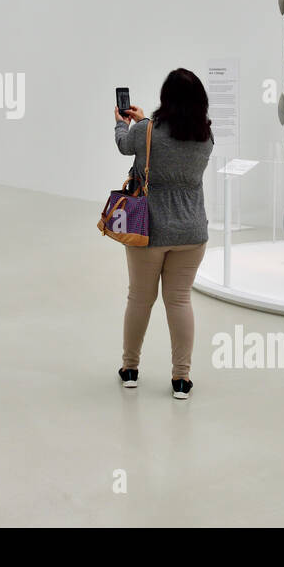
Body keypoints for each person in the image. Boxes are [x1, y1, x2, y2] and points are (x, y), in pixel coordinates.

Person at [113, 68, 214, 400]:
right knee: (180, 301)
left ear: (165, 99)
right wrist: (144, 125)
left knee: (140, 299)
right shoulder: (206, 136)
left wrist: (123, 122)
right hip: (192, 232)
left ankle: (130, 370)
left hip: (149, 231)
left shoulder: (146, 131)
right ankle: (181, 379)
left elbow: (125, 145)